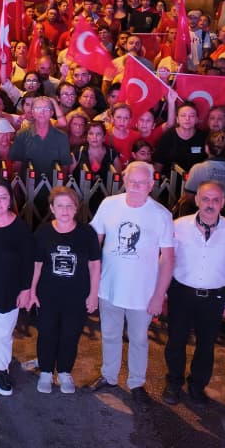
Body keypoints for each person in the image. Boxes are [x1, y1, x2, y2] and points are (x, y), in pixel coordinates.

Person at [89, 161, 176, 399]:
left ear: (150, 185)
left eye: (141, 183)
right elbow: (94, 243)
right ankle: (109, 376)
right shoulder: (109, 205)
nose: (136, 186)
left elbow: (168, 259)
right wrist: (92, 284)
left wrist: (159, 295)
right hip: (109, 287)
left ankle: (137, 383)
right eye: (132, 181)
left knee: (138, 339)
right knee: (109, 335)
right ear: (124, 181)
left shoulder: (161, 215)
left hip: (143, 293)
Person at [164, 181, 225, 405]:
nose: (210, 204)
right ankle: (174, 383)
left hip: (214, 297)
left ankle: (197, 386)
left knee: (206, 346)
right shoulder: (178, 226)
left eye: (215, 200)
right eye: (205, 199)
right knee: (176, 340)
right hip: (181, 293)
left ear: (223, 203)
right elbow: (167, 261)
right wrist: (163, 292)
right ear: (197, 200)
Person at [27, 185, 99, 395]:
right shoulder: (43, 232)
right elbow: (37, 264)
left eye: (69, 206)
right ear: (52, 208)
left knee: (70, 334)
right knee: (47, 333)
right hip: (48, 294)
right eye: (60, 206)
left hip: (77, 295)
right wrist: (32, 291)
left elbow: (95, 266)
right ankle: (46, 371)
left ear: (76, 208)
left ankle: (65, 371)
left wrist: (93, 294)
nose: (65, 211)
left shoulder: (87, 233)